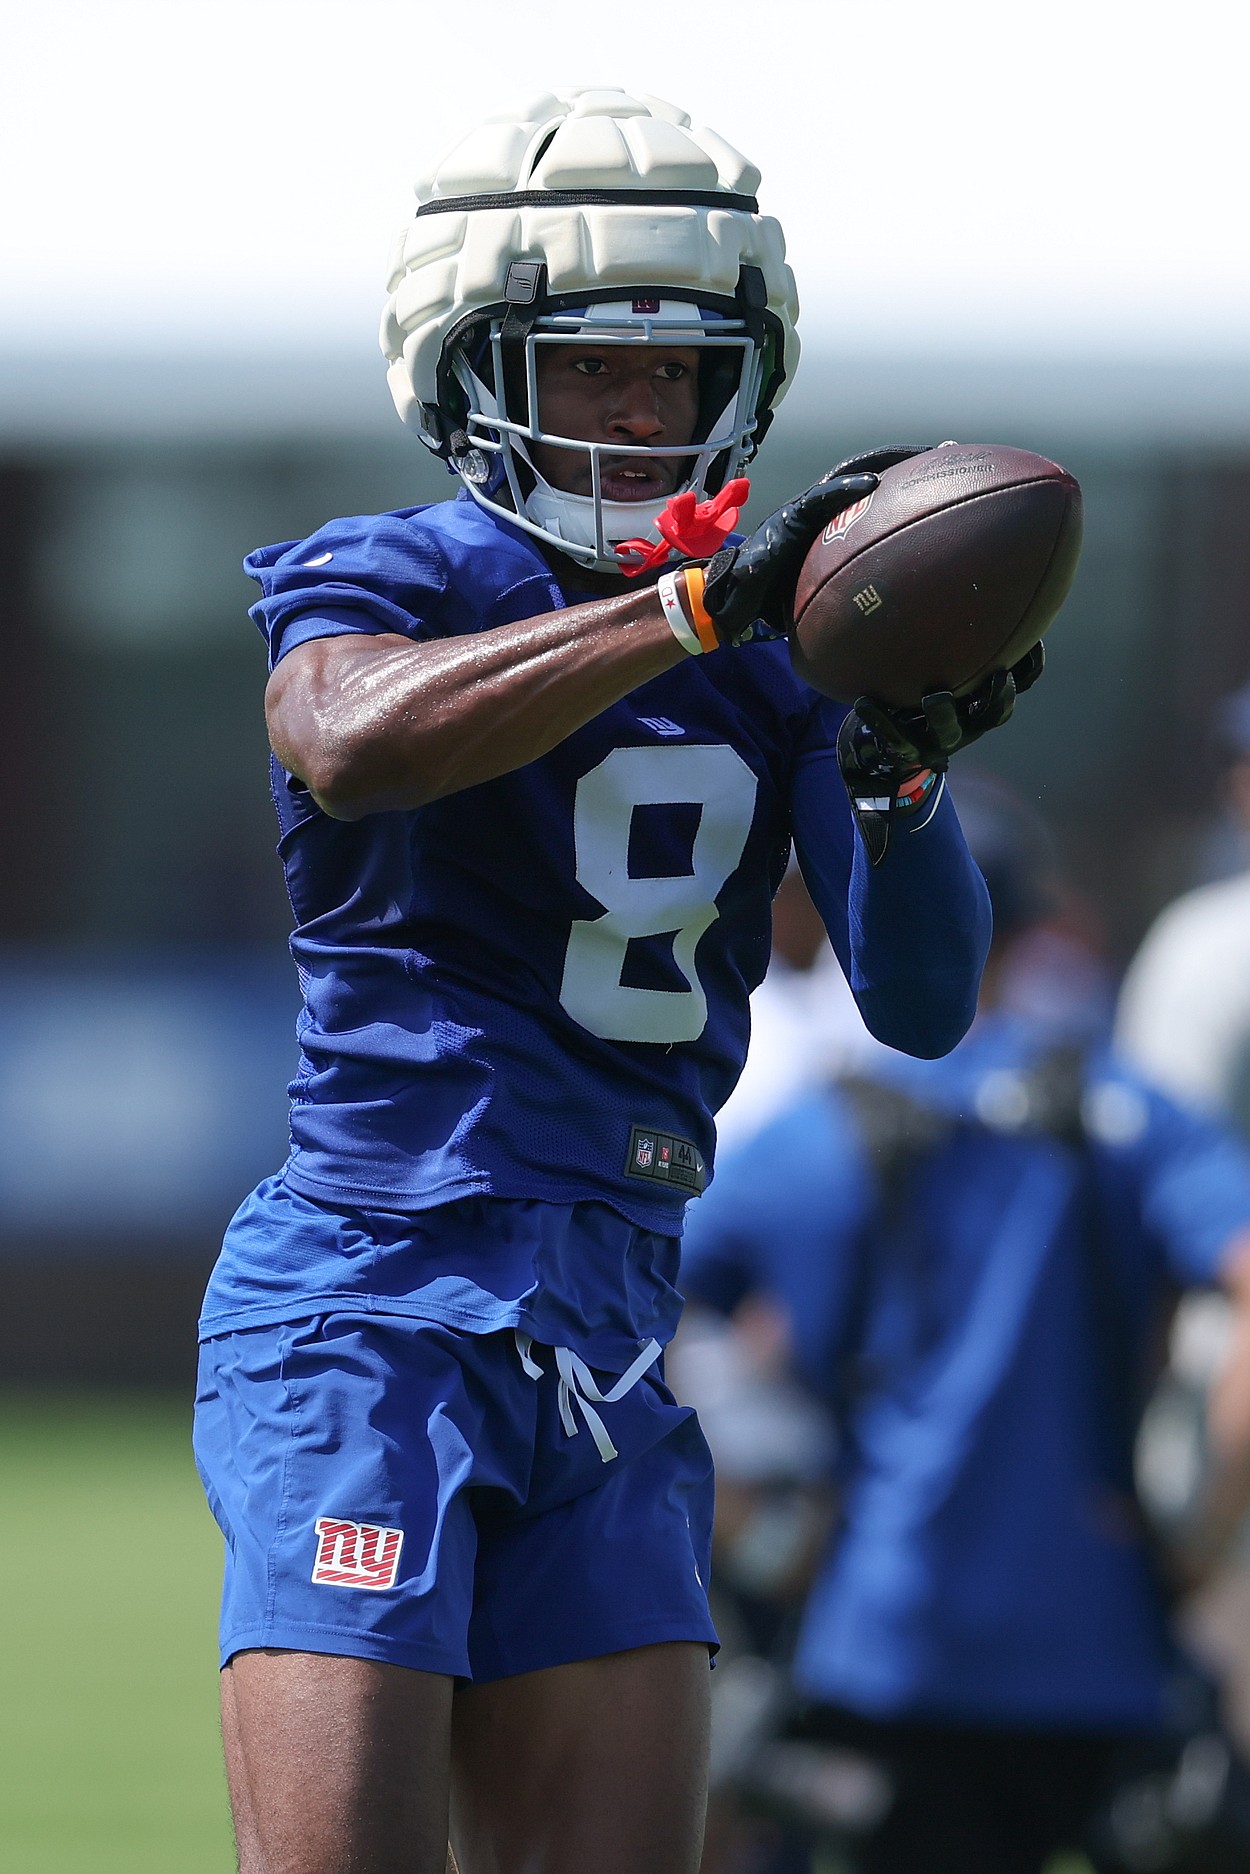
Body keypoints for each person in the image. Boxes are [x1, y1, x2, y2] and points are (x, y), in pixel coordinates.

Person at [191, 90, 1034, 1874]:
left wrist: (903, 774)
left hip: (618, 1304)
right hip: (376, 1293)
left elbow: (927, 1002)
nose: (644, 410)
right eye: (590, 367)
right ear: (472, 365)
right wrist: (692, 610)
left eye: (681, 369)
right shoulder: (396, 569)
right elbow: (345, 743)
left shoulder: (781, 648)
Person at [678, 779, 1250, 1874]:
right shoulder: (1124, 1113)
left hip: (879, 1648)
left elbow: (637, 1303)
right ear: (1032, 929)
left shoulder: (817, 1134)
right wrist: (1198, 1530)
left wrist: (753, 1522)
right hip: (1103, 1650)